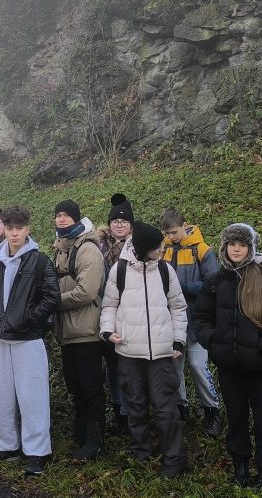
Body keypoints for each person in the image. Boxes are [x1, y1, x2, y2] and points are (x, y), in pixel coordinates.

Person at [192, 223, 262, 489]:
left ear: (250, 248)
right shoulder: (215, 283)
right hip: (230, 368)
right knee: (236, 418)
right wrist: (215, 343)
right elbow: (201, 317)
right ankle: (240, 463)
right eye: (231, 244)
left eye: (241, 244)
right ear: (224, 247)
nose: (236, 249)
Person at [99, 221, 189, 479]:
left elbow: (178, 308)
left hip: (161, 354)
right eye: (156, 247)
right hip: (128, 351)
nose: (161, 249)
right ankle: (141, 452)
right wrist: (107, 331)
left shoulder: (164, 270)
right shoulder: (120, 271)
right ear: (141, 248)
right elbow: (109, 306)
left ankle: (175, 459)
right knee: (135, 405)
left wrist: (178, 340)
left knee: (165, 407)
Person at [0, 205, 60, 477]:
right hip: (0, 339)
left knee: (32, 398)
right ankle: (6, 445)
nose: (14, 234)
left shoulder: (39, 261)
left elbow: (51, 298)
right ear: (4, 229)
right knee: (2, 397)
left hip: (27, 339)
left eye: (19, 229)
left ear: (28, 229)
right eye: (10, 228)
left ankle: (37, 452)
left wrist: (26, 319)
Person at [51, 199, 107, 461]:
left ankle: (95, 442)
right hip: (67, 332)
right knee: (76, 386)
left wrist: (52, 303)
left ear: (76, 218)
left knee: (91, 387)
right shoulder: (61, 247)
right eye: (58, 215)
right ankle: (81, 436)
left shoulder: (87, 249)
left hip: (86, 331)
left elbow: (87, 291)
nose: (61, 219)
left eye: (66, 215)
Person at [160, 207, 223, 436]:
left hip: (197, 320)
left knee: (198, 366)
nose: (171, 237)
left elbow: (214, 283)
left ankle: (212, 411)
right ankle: (181, 409)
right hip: (171, 321)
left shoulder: (203, 251)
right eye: (167, 233)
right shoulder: (164, 250)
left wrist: (181, 289)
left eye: (174, 232)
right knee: (174, 368)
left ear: (184, 226)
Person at [100, 193, 134, 435]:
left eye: (123, 222)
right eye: (115, 222)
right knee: (112, 364)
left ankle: (130, 413)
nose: (119, 225)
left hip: (131, 315)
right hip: (108, 312)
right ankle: (119, 409)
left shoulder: (137, 248)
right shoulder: (103, 247)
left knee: (129, 365)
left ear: (131, 225)